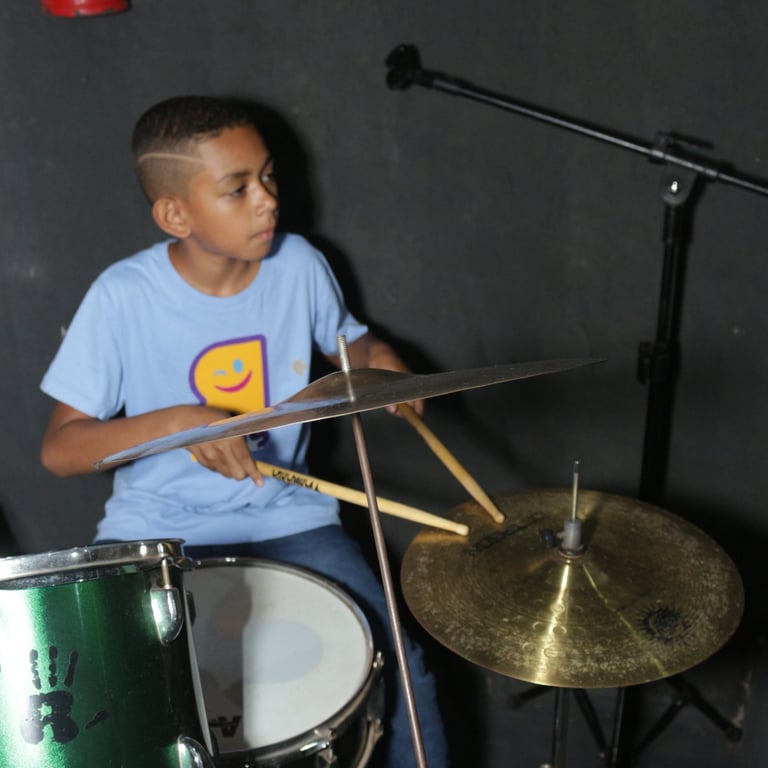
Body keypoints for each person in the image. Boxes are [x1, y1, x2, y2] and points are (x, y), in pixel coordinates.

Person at [39, 95, 448, 767]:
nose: (267, 201)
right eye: (238, 189)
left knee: (401, 668)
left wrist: (380, 364)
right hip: (158, 527)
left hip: (290, 514)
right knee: (118, 701)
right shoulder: (123, 296)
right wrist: (180, 421)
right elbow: (60, 450)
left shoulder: (300, 265)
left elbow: (350, 345)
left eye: (269, 177)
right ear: (176, 214)